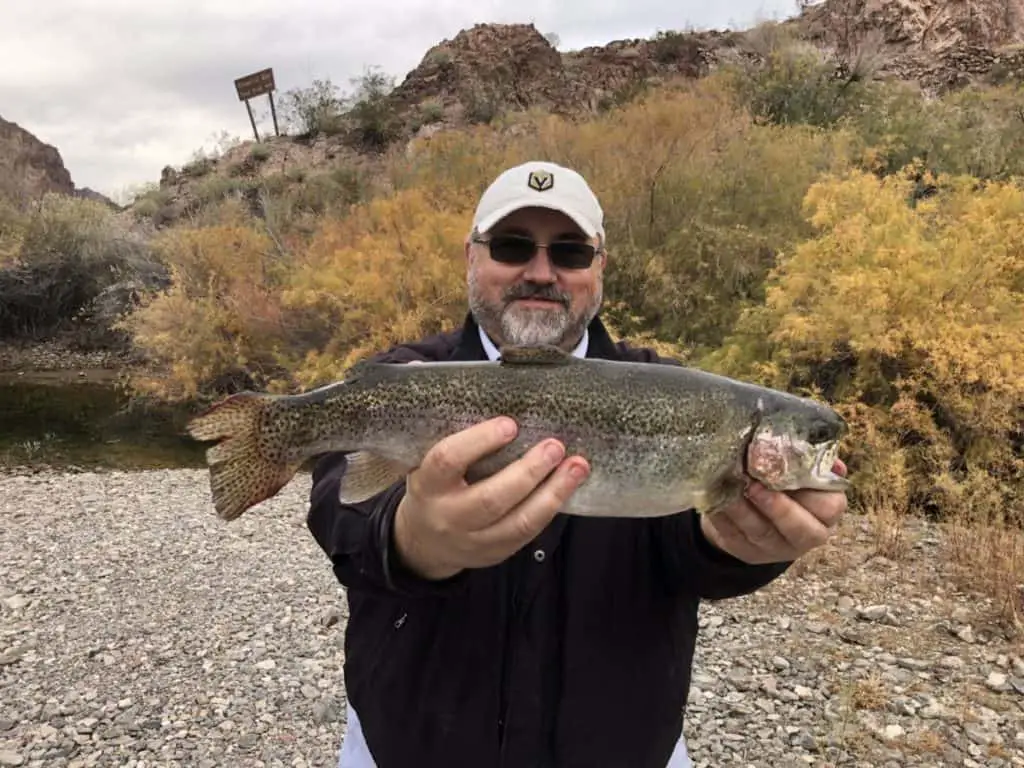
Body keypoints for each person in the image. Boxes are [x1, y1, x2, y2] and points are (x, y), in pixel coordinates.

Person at [306, 160, 848, 768]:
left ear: (599, 268)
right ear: (471, 258)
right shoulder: (406, 375)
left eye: (569, 252)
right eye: (512, 247)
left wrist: (740, 546)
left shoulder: (677, 395)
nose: (541, 272)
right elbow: (337, 503)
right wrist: (408, 538)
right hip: (408, 746)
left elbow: (692, 554)